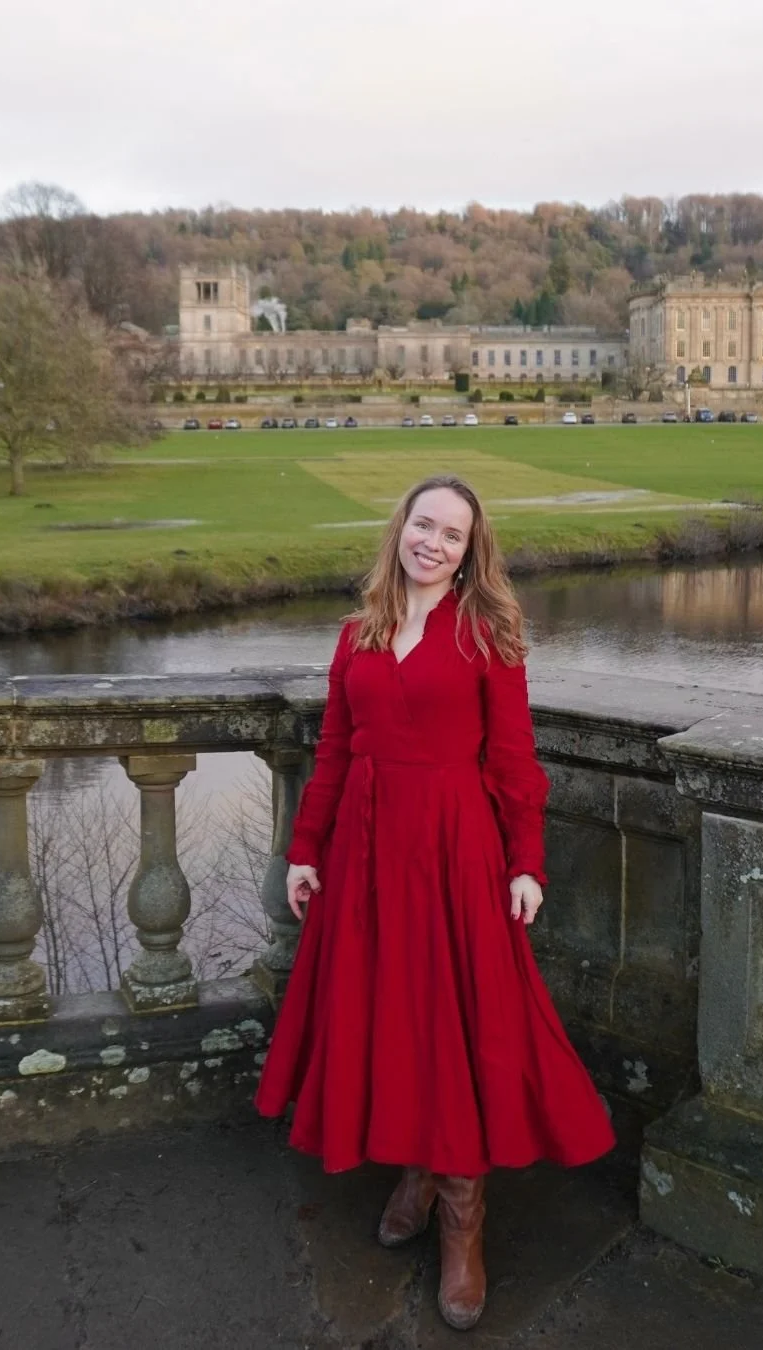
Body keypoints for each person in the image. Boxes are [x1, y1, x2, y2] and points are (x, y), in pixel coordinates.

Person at [256, 474, 615, 1331]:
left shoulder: (487, 633)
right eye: (425, 524)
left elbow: (515, 760)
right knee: (392, 1015)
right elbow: (336, 751)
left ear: (469, 552)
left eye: (453, 534)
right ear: (402, 530)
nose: (434, 542)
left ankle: (462, 1217)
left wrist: (526, 862)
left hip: (456, 852)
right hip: (369, 854)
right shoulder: (358, 633)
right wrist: (305, 850)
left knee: (458, 1023)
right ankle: (415, 1168)